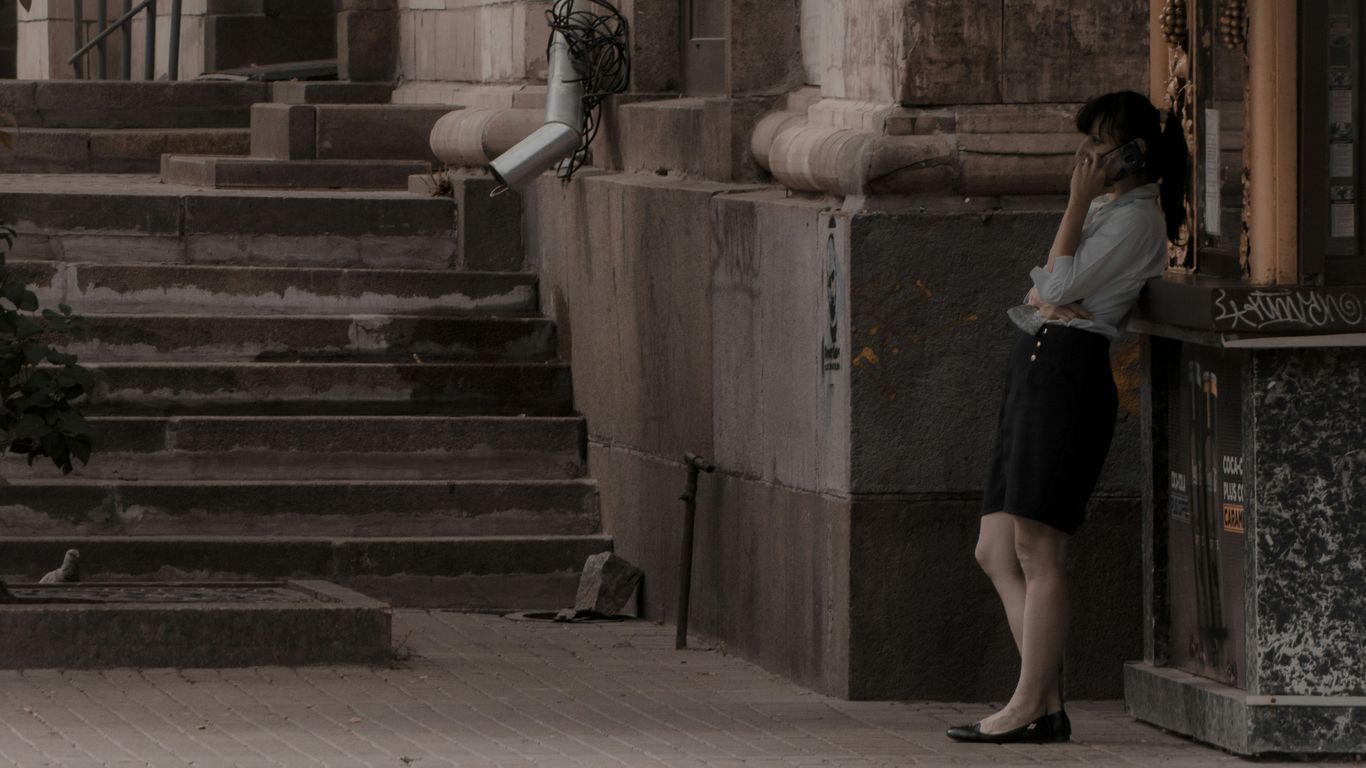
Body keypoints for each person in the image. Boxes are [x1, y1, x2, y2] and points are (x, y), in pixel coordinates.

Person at [946, 91, 1188, 744]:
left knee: (1039, 547)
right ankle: (1043, 698)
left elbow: (1050, 289)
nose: (1085, 156)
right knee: (994, 548)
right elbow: (1046, 292)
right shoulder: (1111, 211)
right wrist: (1058, 281)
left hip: (1068, 374)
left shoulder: (1137, 219)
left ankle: (1031, 704)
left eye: (1100, 144)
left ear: (1133, 154)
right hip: (1036, 364)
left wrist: (1073, 214)